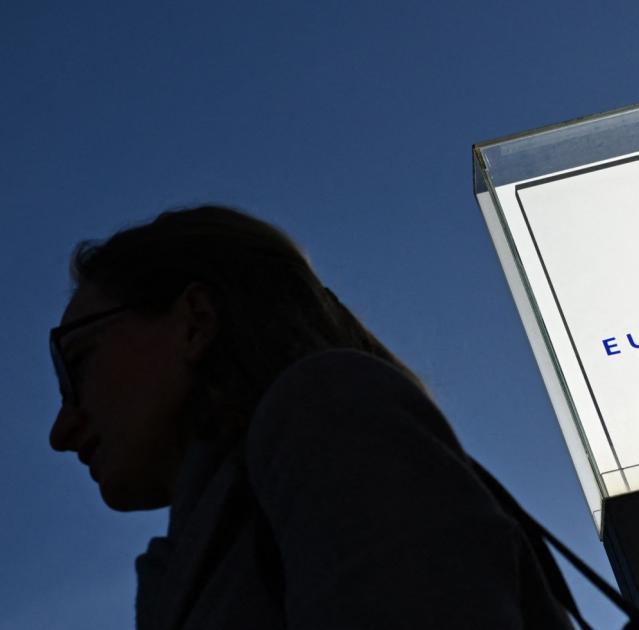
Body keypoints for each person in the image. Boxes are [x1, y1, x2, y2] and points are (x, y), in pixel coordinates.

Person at [47, 206, 574, 629]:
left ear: (195, 322)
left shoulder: (327, 410)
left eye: (77, 361)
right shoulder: (182, 562)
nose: (61, 430)